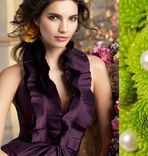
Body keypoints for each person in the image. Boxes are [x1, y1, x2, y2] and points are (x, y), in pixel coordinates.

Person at [0, 0, 113, 155]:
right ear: (36, 19)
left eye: (72, 18)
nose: (64, 28)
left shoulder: (95, 68)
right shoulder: (11, 76)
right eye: (54, 17)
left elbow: (108, 137)